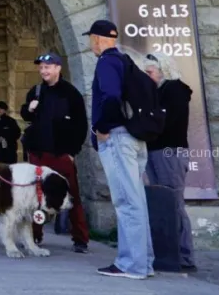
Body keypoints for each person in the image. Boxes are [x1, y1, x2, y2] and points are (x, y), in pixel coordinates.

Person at [86, 20, 154, 279]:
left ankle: (131, 264)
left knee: (126, 202)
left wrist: (102, 126)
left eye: (91, 39)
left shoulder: (106, 62)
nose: (91, 44)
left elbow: (111, 96)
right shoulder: (125, 61)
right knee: (137, 201)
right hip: (134, 138)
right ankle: (144, 262)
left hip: (117, 138)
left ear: (97, 38)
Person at [20, 52, 90, 253]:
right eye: (41, 67)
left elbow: (81, 126)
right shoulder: (36, 91)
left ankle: (80, 239)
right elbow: (25, 115)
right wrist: (29, 109)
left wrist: (72, 152)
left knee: (72, 195)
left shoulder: (71, 94)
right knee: (35, 198)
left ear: (58, 68)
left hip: (61, 155)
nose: (43, 71)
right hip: (38, 154)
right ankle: (35, 235)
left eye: (47, 67)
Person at [144, 54, 197, 273]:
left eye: (150, 72)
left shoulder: (175, 90)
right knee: (161, 204)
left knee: (174, 203)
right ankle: (165, 253)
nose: (147, 76)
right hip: (154, 150)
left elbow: (164, 122)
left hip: (169, 151)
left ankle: (184, 255)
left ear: (163, 70)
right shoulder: (156, 92)